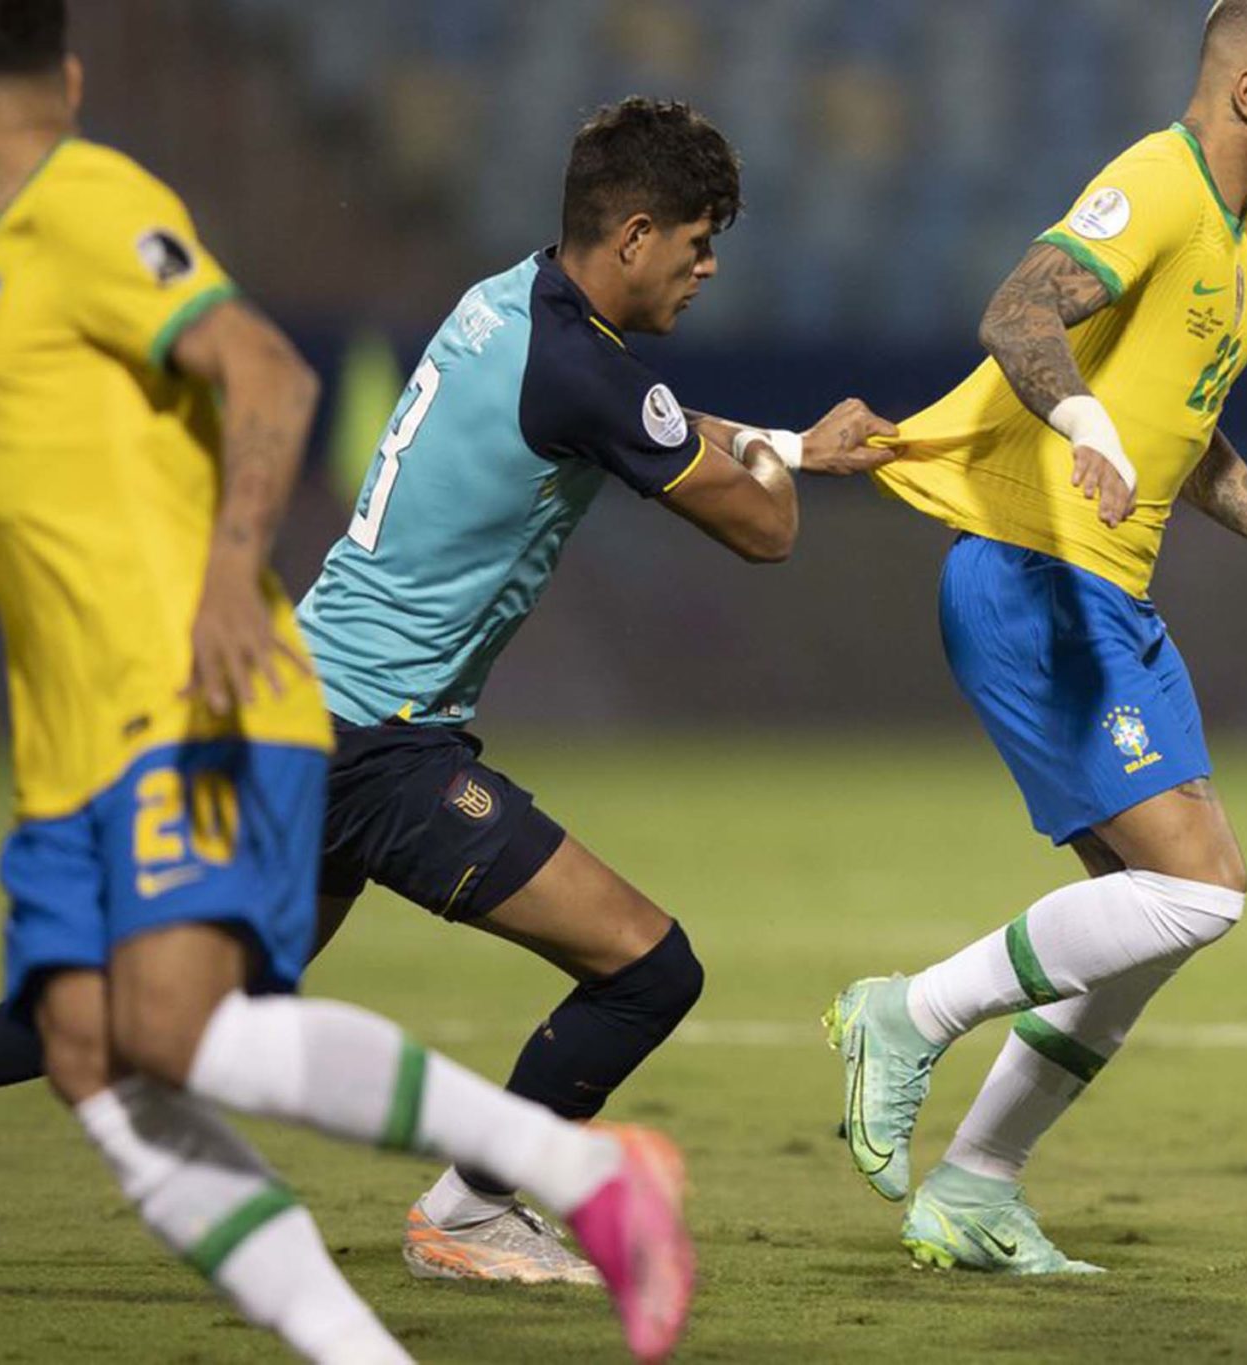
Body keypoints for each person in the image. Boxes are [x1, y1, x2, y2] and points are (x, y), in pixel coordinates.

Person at [0, 4, 690, 1360]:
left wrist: (220, 579)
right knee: (96, 1039)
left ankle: (560, 1180)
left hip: (211, 700)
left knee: (164, 1031)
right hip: (90, 719)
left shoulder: (79, 202)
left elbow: (262, 372)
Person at [826, 0, 1247, 1274]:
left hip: (1106, 592)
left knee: (1149, 920)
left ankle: (975, 1187)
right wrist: (1083, 433)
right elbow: (1018, 318)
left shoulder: (1244, 238)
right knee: (1198, 890)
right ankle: (904, 1014)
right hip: (1038, 578)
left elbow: (1176, 431)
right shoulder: (1155, 183)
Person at [295, 96, 898, 1283]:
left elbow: (643, 412)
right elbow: (764, 532)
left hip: (303, 712)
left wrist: (788, 438)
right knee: (647, 968)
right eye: (697, 241)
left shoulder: (509, 302)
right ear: (630, 236)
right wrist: (787, 470)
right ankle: (470, 1209)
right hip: (379, 746)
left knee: (158, 1009)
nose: (709, 267)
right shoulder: (578, 367)